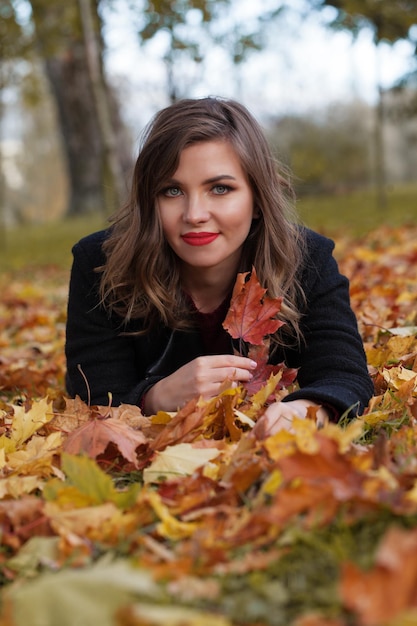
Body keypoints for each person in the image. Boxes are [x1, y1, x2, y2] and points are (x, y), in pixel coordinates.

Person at [65, 96, 373, 430]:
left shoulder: (306, 258)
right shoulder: (100, 265)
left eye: (220, 188)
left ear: (257, 199)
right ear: (148, 200)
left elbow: (344, 374)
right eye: (171, 191)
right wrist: (154, 397)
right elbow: (93, 397)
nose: (194, 214)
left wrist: (306, 409)